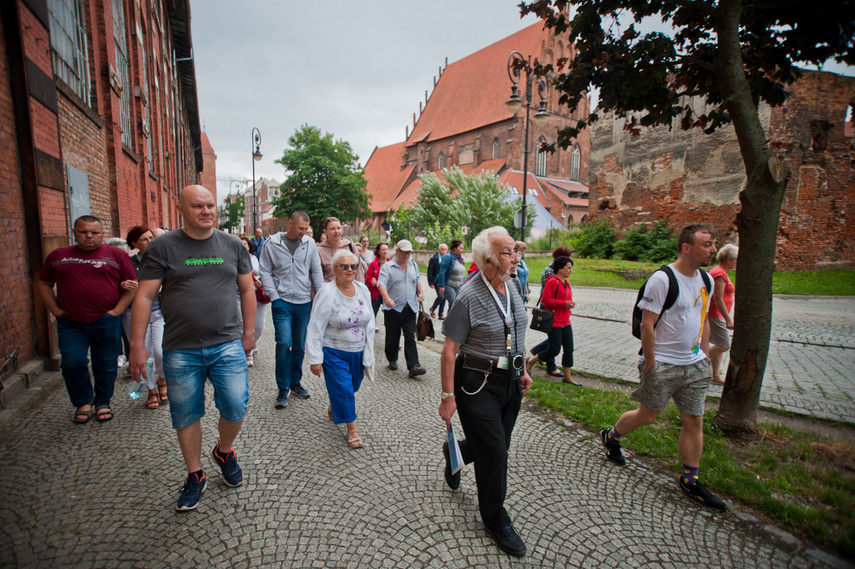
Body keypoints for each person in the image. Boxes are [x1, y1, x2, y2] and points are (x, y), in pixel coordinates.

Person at [129, 184, 255, 512]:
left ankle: (224, 452)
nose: (206, 211)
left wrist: (249, 332)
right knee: (186, 413)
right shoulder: (162, 247)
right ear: (181, 209)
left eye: (210, 205)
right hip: (181, 348)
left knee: (236, 406)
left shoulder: (232, 244)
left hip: (227, 342)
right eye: (198, 206)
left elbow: (246, 290)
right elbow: (144, 295)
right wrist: (137, 345)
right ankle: (195, 474)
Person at [600, 224, 726, 512]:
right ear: (687, 247)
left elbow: (703, 318)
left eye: (714, 243)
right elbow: (647, 324)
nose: (713, 249)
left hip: (694, 365)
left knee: (694, 421)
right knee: (648, 415)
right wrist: (651, 363)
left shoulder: (706, 279)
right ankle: (612, 436)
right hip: (663, 364)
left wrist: (704, 355)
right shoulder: (662, 279)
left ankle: (690, 480)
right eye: (707, 244)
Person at [438, 226, 532, 557]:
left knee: (498, 443)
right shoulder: (468, 295)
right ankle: (494, 516)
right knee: (495, 452)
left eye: (515, 251)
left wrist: (522, 369)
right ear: (487, 260)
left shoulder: (513, 285)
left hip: (511, 380)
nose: (516, 258)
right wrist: (447, 397)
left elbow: (516, 330)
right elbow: (449, 350)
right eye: (508, 253)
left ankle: (458, 452)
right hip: (477, 383)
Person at [38, 215, 137, 424]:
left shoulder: (117, 255)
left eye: (94, 232)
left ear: (102, 234)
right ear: (74, 232)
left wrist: (117, 311)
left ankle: (103, 402)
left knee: (106, 363)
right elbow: (44, 283)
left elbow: (132, 284)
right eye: (83, 232)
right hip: (70, 322)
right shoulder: (59, 255)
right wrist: (55, 309)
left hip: (106, 319)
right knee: (72, 363)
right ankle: (83, 401)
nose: (89, 236)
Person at [306, 250, 376, 449]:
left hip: (358, 352)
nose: (350, 270)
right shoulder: (327, 292)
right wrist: (315, 359)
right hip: (333, 351)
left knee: (352, 387)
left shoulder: (362, 290)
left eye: (353, 266)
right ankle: (352, 429)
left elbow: (370, 322)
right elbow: (315, 326)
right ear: (335, 269)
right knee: (344, 389)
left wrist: (369, 352)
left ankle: (335, 405)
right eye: (344, 266)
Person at [259, 211, 325, 408]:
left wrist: (321, 297)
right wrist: (274, 296)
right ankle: (282, 387)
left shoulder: (309, 244)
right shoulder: (272, 244)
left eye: (306, 229)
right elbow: (265, 270)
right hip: (282, 301)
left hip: (304, 302)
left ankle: (295, 382)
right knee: (283, 342)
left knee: (299, 346)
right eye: (300, 228)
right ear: (290, 223)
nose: (304, 232)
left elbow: (316, 270)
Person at [124, 225, 167, 409]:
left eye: (151, 238)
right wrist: (123, 284)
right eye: (145, 239)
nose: (150, 242)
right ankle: (150, 390)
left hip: (158, 312)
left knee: (160, 351)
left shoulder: (161, 259)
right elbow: (118, 281)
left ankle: (162, 379)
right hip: (134, 313)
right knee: (144, 354)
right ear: (134, 243)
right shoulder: (129, 262)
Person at [525, 257, 580, 385]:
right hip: (555, 322)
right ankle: (530, 362)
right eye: (568, 268)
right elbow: (545, 299)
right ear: (560, 268)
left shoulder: (566, 283)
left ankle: (567, 377)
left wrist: (570, 304)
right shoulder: (553, 282)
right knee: (554, 350)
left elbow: (567, 299)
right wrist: (563, 304)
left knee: (569, 349)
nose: (570, 271)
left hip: (566, 321)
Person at [378, 239, 426, 379]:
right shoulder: (388, 267)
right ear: (397, 251)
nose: (406, 255)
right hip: (393, 308)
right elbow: (381, 284)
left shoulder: (413, 265)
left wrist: (421, 293)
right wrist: (386, 298)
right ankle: (392, 359)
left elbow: (417, 281)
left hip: (410, 307)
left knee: (410, 336)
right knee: (393, 336)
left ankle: (413, 366)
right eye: (404, 252)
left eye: (408, 253)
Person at [708, 244, 738, 384]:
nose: (737, 262)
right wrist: (728, 319)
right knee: (724, 345)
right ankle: (695, 361)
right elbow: (718, 298)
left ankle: (715, 376)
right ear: (728, 259)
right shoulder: (719, 273)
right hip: (715, 314)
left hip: (717, 314)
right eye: (736, 259)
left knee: (720, 345)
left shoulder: (720, 272)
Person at [238, 236, 268, 368]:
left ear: (249, 246)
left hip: (257, 294)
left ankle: (253, 342)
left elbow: (262, 272)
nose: (243, 246)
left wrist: (260, 281)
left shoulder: (255, 258)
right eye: (241, 244)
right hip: (239, 294)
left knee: (259, 326)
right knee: (241, 323)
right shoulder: (235, 259)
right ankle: (247, 352)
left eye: (245, 244)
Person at [317, 217, 366, 283]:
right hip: (329, 288)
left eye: (338, 228)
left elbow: (359, 270)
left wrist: (360, 287)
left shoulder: (350, 246)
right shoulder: (319, 250)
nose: (336, 231)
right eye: (332, 229)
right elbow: (316, 276)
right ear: (325, 231)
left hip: (350, 287)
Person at [436, 240, 466, 310]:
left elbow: (462, 274)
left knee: (459, 304)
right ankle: (449, 318)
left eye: (463, 248)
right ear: (455, 248)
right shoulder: (448, 257)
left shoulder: (460, 259)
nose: (462, 250)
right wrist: (442, 286)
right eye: (461, 248)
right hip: (449, 284)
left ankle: (453, 317)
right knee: (453, 303)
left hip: (459, 285)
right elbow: (442, 272)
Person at [365, 241, 389, 316]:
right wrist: (372, 281)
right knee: (372, 314)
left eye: (387, 249)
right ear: (378, 252)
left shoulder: (391, 264)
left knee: (389, 315)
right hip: (375, 294)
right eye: (383, 249)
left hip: (388, 294)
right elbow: (367, 279)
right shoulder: (373, 264)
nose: (385, 251)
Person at [427, 243, 448, 319]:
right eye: (442, 249)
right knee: (441, 296)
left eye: (445, 249)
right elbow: (430, 271)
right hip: (437, 281)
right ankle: (433, 308)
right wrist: (431, 283)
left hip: (445, 281)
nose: (444, 251)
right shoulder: (434, 259)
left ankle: (440, 314)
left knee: (444, 297)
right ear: (439, 250)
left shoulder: (448, 258)